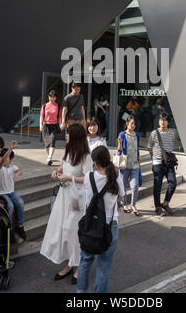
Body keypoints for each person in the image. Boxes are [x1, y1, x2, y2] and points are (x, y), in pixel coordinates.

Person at [40, 124, 92, 285]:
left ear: (76, 136)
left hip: (77, 196)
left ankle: (78, 267)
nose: (66, 136)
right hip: (64, 195)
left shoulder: (86, 155)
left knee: (73, 230)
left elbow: (89, 178)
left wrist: (69, 179)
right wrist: (57, 171)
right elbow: (63, 166)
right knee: (62, 229)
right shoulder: (68, 150)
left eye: (69, 134)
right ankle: (68, 264)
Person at [77, 145, 124, 293]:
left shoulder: (89, 177)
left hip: (90, 226)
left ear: (95, 163)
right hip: (110, 227)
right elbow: (120, 198)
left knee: (85, 261)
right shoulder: (117, 177)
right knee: (104, 267)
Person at [147, 113, 178, 217]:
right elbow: (149, 147)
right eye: (160, 120)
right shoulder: (154, 133)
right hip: (157, 163)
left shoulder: (172, 133)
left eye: (164, 120)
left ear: (168, 122)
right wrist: (154, 158)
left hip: (168, 163)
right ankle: (157, 208)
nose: (162, 122)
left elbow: (170, 146)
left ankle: (165, 203)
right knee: (157, 186)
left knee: (173, 183)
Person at [0, 146, 26, 244]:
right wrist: (10, 149)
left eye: (7, 157)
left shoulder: (13, 167)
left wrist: (17, 174)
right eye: (1, 157)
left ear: (11, 159)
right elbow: (1, 163)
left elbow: (20, 170)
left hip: (11, 192)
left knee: (20, 203)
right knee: (10, 206)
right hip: (2, 193)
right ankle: (8, 230)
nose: (4, 159)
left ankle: (20, 227)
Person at [117, 116, 141, 216]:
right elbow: (119, 150)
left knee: (135, 186)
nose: (133, 125)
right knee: (123, 186)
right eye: (131, 123)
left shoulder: (137, 135)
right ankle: (124, 204)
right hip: (125, 165)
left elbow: (137, 150)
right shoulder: (122, 134)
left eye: (134, 124)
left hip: (134, 164)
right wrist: (120, 143)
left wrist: (139, 163)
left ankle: (133, 204)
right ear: (127, 123)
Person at [40, 90, 62, 165]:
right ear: (48, 97)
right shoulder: (44, 106)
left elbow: (59, 117)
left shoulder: (58, 106)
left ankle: (49, 158)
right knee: (46, 145)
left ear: (55, 98)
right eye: (50, 97)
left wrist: (60, 124)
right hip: (46, 126)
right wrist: (40, 125)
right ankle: (49, 156)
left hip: (54, 126)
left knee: (52, 141)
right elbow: (41, 116)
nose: (51, 98)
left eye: (53, 97)